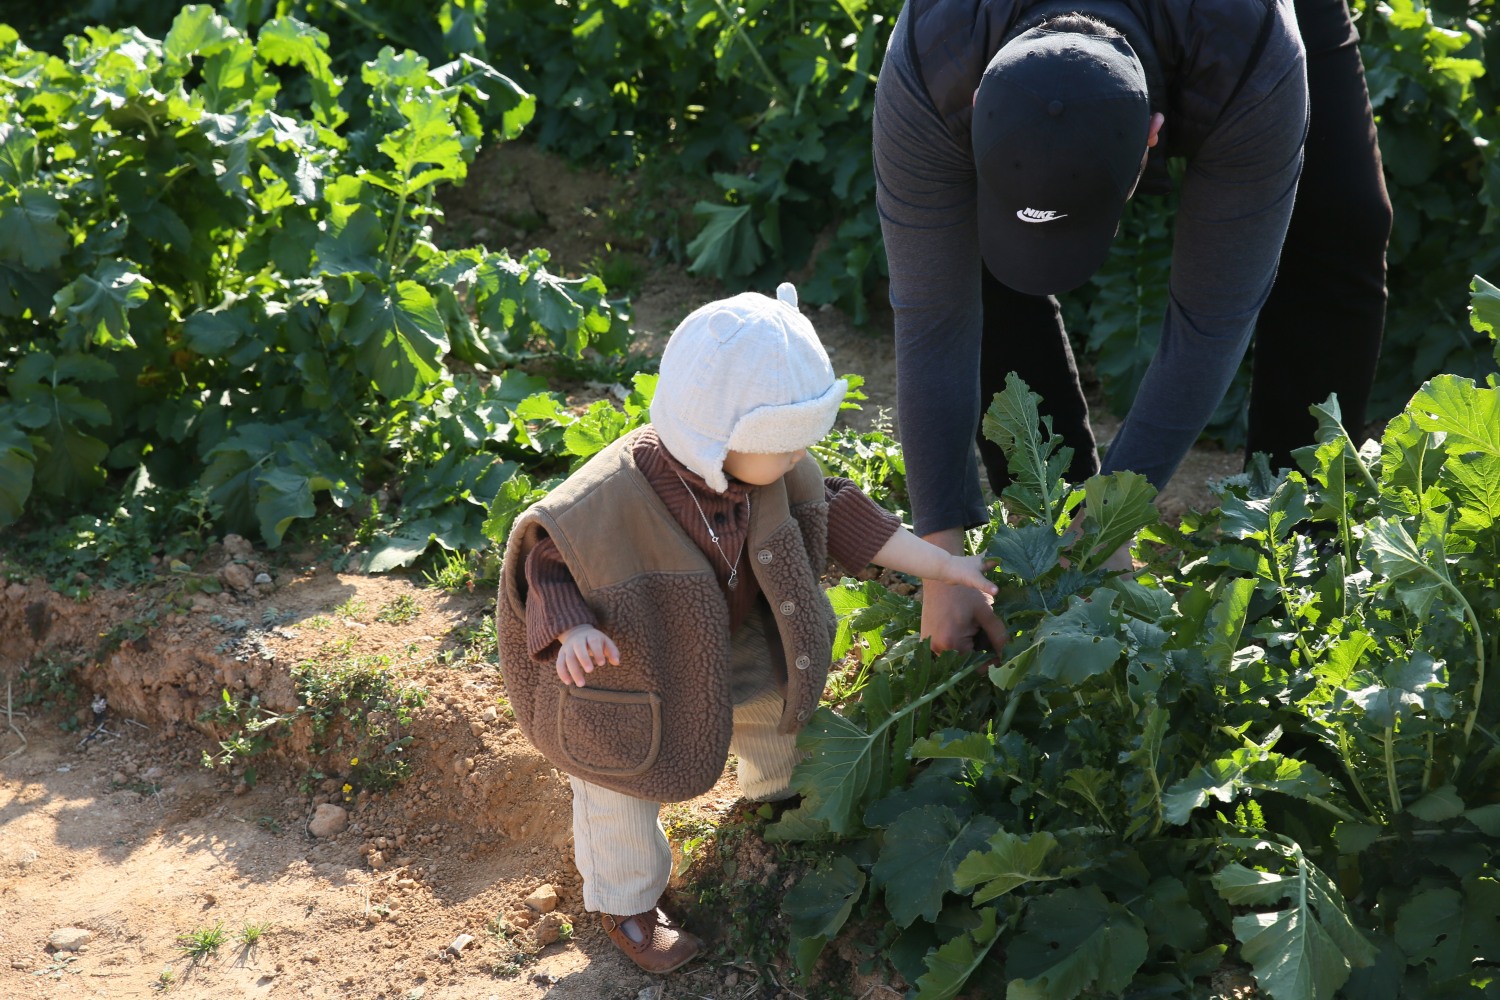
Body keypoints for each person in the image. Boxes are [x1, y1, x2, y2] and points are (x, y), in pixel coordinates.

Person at [494, 283, 998, 972]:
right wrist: (571, 631)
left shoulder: (778, 474)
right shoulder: (604, 501)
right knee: (620, 788)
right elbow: (550, 565)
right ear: (715, 434)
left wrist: (944, 565)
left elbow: (853, 522)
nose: (799, 457)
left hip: (732, 640)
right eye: (785, 445)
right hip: (628, 670)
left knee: (777, 710)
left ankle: (774, 801)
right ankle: (627, 902)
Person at [873, 0, 1391, 653]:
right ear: (979, 106)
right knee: (968, 242)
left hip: (1220, 27)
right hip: (998, 40)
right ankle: (1048, 512)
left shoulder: (1251, 54)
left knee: (1339, 222)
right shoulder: (936, 55)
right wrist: (940, 553)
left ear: (1153, 135)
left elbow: (1211, 318)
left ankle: (1295, 557)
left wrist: (1111, 517)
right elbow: (932, 315)